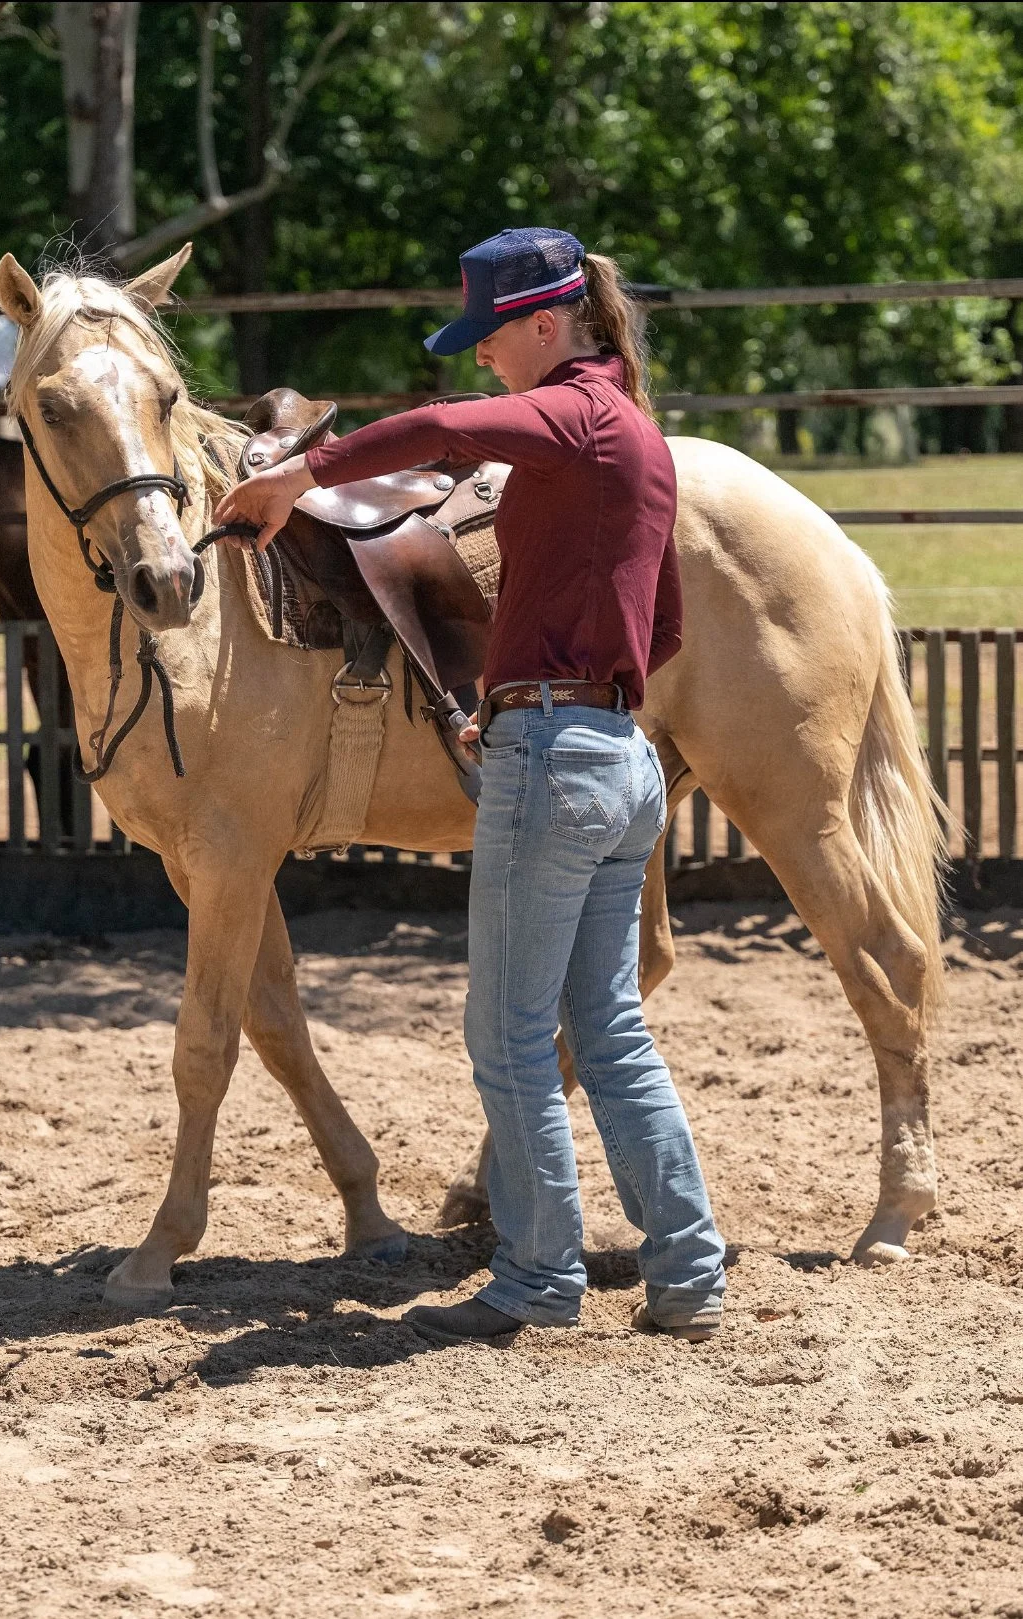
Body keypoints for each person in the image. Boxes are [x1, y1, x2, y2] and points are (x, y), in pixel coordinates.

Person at [213, 227, 726, 1345]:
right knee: (612, 1029)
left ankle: (541, 1276)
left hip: (550, 756)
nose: (481, 360)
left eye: (489, 339)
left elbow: (441, 429)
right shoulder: (636, 432)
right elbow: (670, 621)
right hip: (623, 756)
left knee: (507, 1037)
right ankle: (687, 1269)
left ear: (546, 322)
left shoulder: (575, 414)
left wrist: (300, 469)